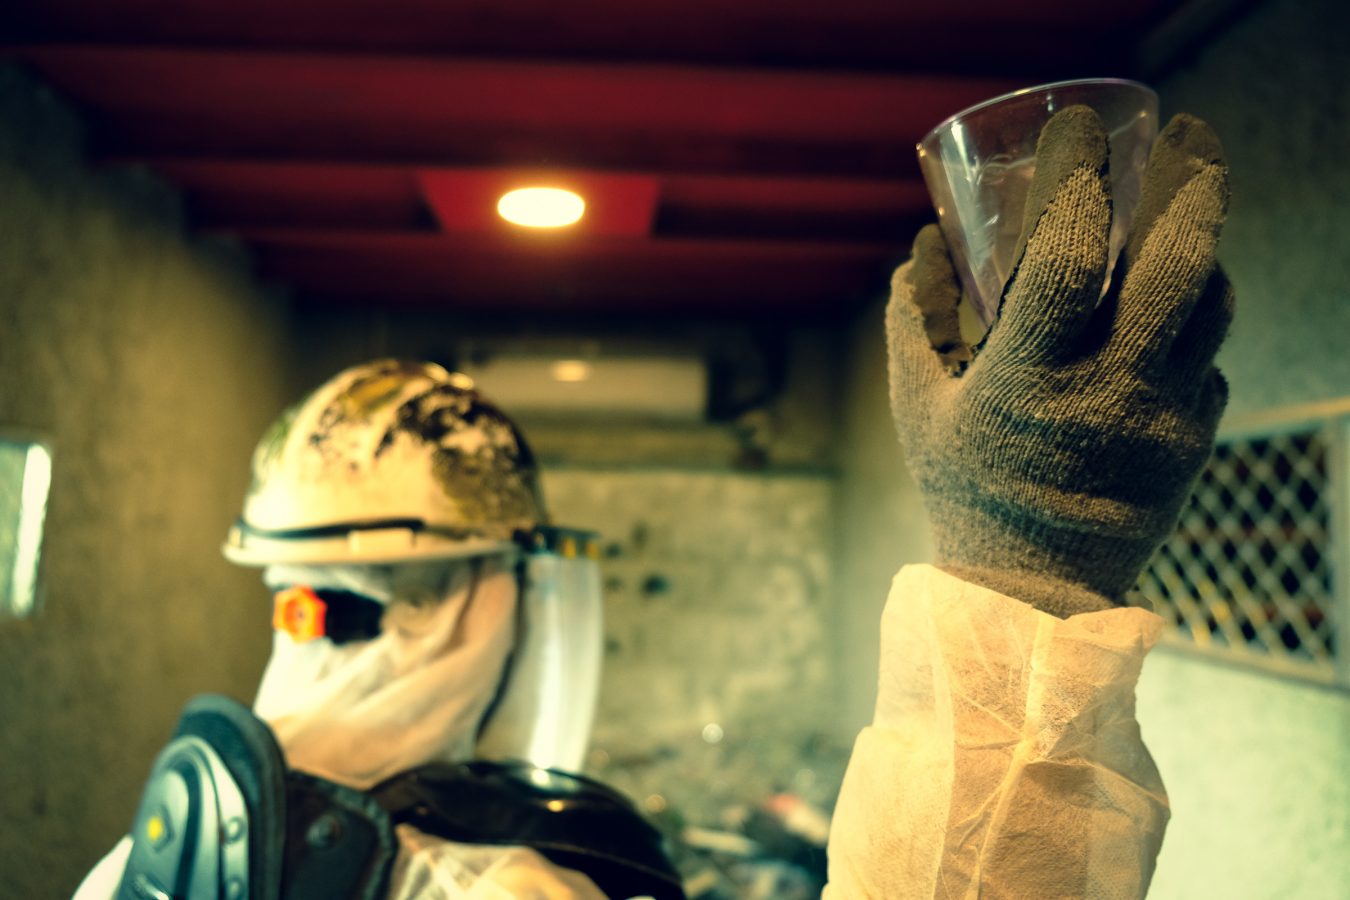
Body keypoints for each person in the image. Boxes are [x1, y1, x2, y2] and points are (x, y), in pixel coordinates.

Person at [76, 103, 1231, 898]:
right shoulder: (493, 888)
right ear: (483, 598)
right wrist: (1028, 570)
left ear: (295, 595)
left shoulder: (144, 859)